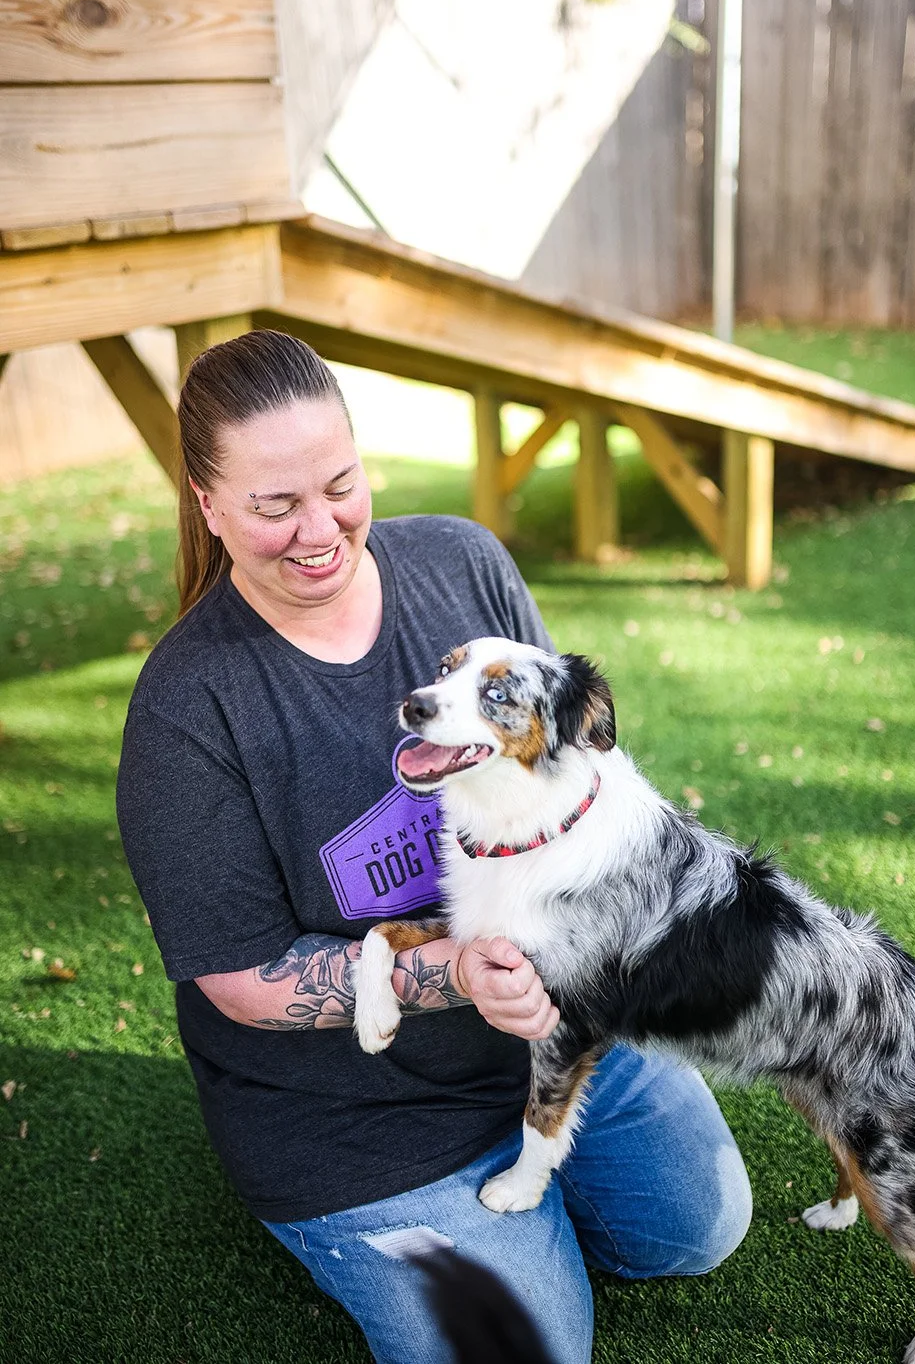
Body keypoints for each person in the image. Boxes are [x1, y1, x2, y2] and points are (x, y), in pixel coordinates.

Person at [116, 330, 752, 1364]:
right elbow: (237, 981)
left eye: (340, 484)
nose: (320, 530)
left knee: (698, 1227)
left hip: (547, 1028)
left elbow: (571, 767)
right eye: (276, 506)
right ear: (207, 505)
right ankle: (384, 1229)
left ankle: (524, 1209)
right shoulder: (188, 711)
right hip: (350, 1111)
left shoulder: (464, 561)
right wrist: (452, 974)